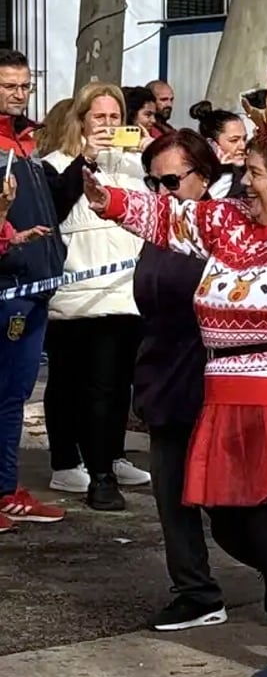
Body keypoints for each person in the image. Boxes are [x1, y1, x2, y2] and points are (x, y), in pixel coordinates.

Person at [89, 118, 267, 677]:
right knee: (227, 524)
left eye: (256, 174)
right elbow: (172, 217)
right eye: (245, 171)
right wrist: (111, 199)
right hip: (233, 390)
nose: (244, 183)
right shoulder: (228, 220)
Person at [134, 130, 228, 630]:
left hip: (214, 378)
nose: (162, 192)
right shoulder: (157, 230)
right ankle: (195, 590)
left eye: (171, 180)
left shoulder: (224, 227)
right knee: (171, 496)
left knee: (234, 509)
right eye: (154, 182)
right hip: (163, 377)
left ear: (204, 177)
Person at [43, 82, 151, 511]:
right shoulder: (56, 164)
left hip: (125, 293)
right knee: (78, 385)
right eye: (99, 118)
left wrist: (147, 155)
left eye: (114, 118)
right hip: (76, 294)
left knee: (116, 385)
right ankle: (78, 465)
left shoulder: (133, 167)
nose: (108, 126)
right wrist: (85, 158)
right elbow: (55, 207)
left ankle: (109, 456)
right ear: (81, 120)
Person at [0, 50, 76, 525]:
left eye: (24, 85)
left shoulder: (27, 141)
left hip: (36, 284)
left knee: (14, 395)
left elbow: (48, 209)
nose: (19, 93)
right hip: (7, 285)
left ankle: (6, 487)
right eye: (9, 85)